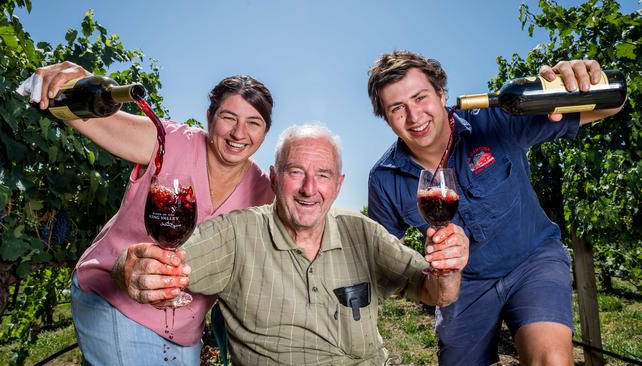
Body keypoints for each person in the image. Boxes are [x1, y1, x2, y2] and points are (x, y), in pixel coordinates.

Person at [112, 124, 470, 365]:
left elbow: (436, 292)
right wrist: (130, 267)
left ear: (339, 184)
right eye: (295, 171)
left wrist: (448, 269)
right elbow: (159, 265)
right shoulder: (238, 234)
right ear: (274, 177)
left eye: (323, 175)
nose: (308, 188)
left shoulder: (362, 232)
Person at [366, 51, 624, 365]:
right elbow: (388, 266)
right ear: (386, 117)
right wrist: (436, 282)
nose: (414, 116)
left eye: (420, 97)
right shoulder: (384, 179)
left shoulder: (498, 118)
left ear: (442, 94)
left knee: (550, 360)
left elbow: (612, 103)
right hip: (464, 286)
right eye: (397, 108)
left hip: (532, 261)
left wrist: (583, 80)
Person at [30, 61, 276, 365]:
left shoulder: (264, 192)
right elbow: (91, 117)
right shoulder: (168, 141)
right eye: (229, 117)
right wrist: (66, 86)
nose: (240, 132)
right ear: (210, 117)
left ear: (265, 132)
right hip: (114, 301)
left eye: (254, 123)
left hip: (186, 329)